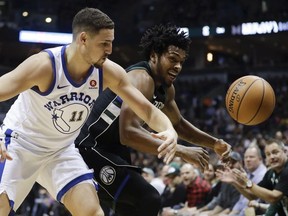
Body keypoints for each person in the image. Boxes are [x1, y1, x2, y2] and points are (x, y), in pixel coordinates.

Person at [0, 8, 180, 216]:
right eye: (104, 43)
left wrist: (169, 129)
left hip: (60, 150)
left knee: (92, 212)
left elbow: (147, 110)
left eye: (111, 42)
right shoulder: (44, 66)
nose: (110, 49)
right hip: (21, 145)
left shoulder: (108, 72)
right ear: (83, 39)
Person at [75, 23, 232, 216]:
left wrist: (214, 143)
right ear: (153, 56)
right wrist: (181, 151)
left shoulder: (166, 89)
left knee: (129, 208)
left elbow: (178, 124)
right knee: (148, 198)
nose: (177, 66)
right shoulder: (141, 79)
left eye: (181, 62)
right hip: (91, 147)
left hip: (113, 149)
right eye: (172, 59)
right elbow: (128, 133)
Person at [218, 139, 288, 216]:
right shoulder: (270, 173)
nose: (272, 157)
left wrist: (248, 182)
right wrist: (235, 182)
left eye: (275, 152)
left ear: (284, 152)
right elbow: (252, 196)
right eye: (268, 154)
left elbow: (274, 197)